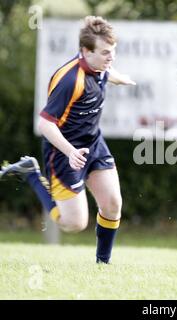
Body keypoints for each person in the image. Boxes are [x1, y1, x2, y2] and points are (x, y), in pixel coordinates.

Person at [0, 16, 136, 264]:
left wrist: (120, 78)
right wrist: (71, 151)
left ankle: (102, 265)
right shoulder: (70, 80)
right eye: (106, 52)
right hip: (63, 151)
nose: (111, 57)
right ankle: (31, 173)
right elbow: (45, 124)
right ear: (85, 51)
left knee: (113, 203)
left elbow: (108, 72)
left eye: (113, 52)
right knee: (73, 223)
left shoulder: (101, 66)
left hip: (93, 144)